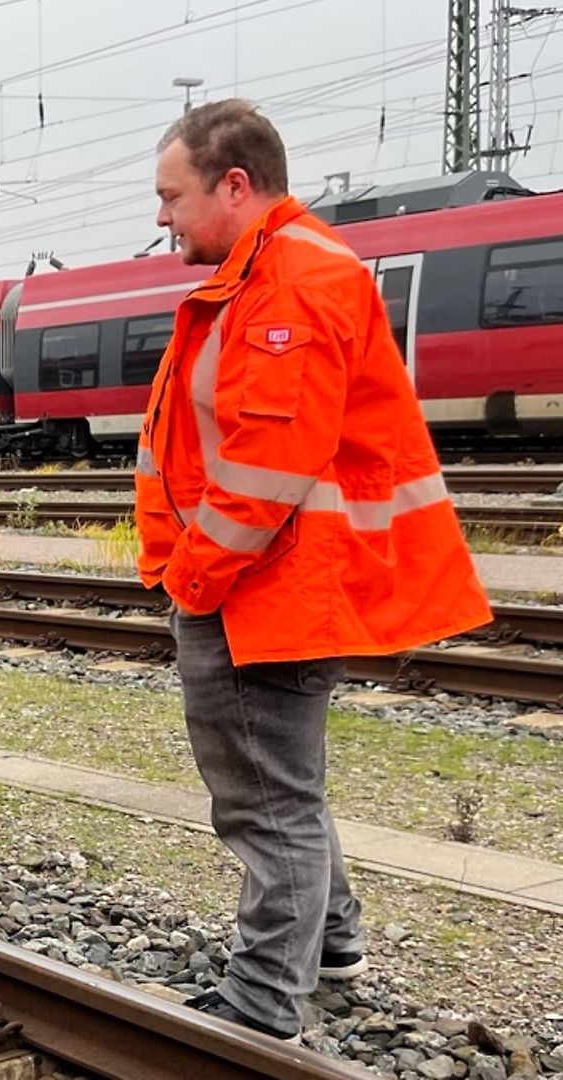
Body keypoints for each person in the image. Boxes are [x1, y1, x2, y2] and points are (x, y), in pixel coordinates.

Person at [141, 100, 492, 1040]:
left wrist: (194, 579)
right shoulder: (267, 274)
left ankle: (263, 1005)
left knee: (264, 801)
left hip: (265, 587)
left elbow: (266, 467)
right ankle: (330, 941)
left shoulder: (291, 284)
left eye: (173, 197)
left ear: (237, 185)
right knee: (285, 783)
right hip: (275, 577)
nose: (163, 218)